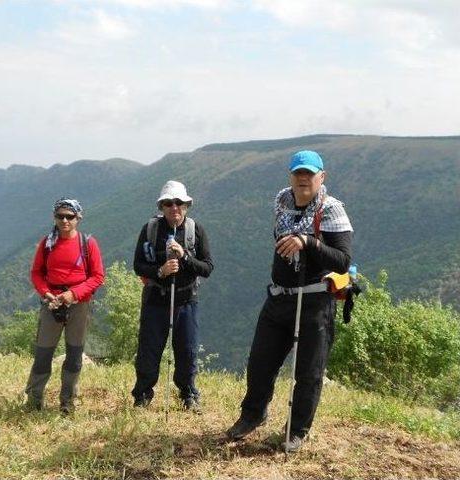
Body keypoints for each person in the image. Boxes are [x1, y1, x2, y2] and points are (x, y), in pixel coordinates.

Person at [226, 150, 353, 452]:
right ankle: (253, 414)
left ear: (322, 177)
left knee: (308, 372)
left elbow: (343, 261)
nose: (303, 178)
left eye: (309, 173)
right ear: (291, 176)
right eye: (298, 173)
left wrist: (307, 242)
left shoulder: (332, 210)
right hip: (279, 298)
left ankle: (297, 430)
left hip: (314, 301)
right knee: (259, 363)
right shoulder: (282, 202)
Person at [132, 180, 213, 412]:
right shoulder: (150, 230)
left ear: (186, 205)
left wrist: (185, 257)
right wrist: (160, 271)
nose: (174, 207)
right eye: (168, 203)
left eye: (179, 203)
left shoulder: (195, 230)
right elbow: (138, 265)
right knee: (149, 350)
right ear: (162, 207)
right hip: (156, 300)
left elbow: (207, 268)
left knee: (187, 351)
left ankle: (188, 393)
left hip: (186, 300)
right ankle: (143, 395)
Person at [25, 198, 105, 414]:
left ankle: (67, 402)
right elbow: (36, 273)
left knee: (74, 353)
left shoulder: (88, 244)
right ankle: (34, 401)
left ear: (78, 218)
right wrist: (47, 294)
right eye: (60, 216)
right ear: (55, 217)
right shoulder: (47, 243)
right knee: (43, 354)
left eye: (69, 216)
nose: (64, 220)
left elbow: (98, 277)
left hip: (79, 304)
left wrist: (73, 294)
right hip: (51, 303)